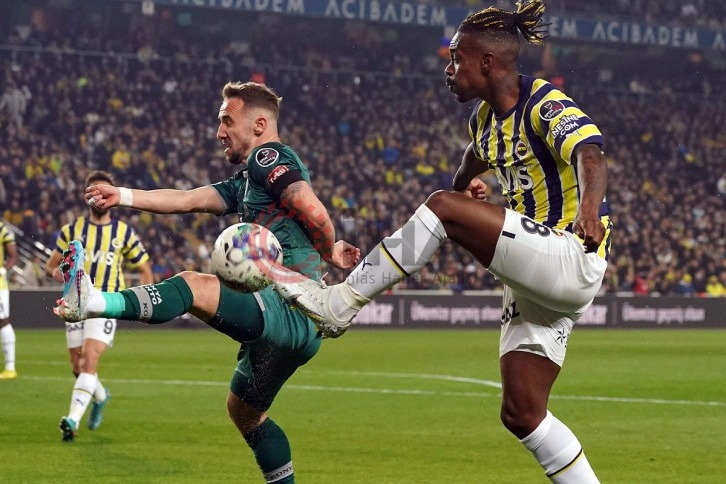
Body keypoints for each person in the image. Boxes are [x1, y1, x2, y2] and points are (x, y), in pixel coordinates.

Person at [272, 2, 611, 483]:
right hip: (535, 274)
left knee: (442, 208)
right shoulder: (483, 122)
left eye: (456, 58)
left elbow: (589, 154)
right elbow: (471, 165)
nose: (448, 70)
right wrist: (468, 189)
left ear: (487, 62)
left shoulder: (543, 102)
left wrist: (589, 211)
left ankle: (340, 304)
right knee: (522, 412)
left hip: (570, 252)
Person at [54, 82, 359, 483]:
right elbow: (188, 200)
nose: (219, 132)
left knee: (193, 286)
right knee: (245, 414)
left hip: (289, 304)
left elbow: (312, 209)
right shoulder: (247, 181)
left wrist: (328, 249)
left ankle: (94, 302)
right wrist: (123, 196)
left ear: (259, 125)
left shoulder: (268, 157)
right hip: (301, 328)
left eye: (227, 120)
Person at [45, 170, 154, 442]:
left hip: (106, 303)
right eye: (93, 192)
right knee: (77, 366)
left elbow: (144, 268)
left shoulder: (123, 232)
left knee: (88, 360)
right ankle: (101, 396)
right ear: (86, 196)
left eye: (103, 191)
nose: (98, 197)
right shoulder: (72, 230)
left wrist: (143, 302)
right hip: (75, 305)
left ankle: (72, 420)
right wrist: (68, 279)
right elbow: (51, 267)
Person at [0, 220, 18, 380]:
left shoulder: (2, 229)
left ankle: (10, 367)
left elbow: (13, 255)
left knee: (2, 321)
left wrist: (4, 270)